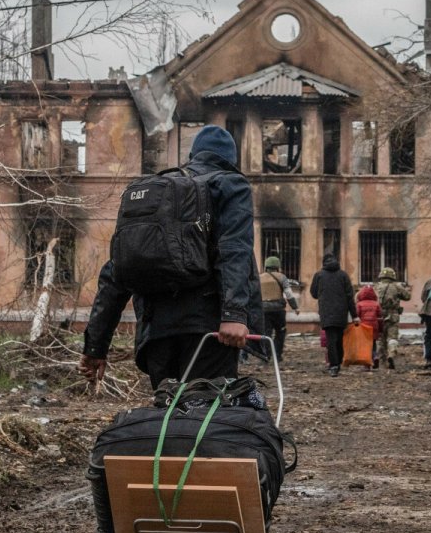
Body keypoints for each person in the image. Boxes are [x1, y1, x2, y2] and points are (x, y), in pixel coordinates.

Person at [81, 125, 263, 390]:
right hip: (208, 331)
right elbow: (235, 249)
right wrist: (234, 314)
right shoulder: (229, 184)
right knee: (204, 419)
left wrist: (96, 345)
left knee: (167, 418)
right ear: (231, 161)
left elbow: (116, 271)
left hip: (156, 333)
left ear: (193, 155)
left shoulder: (159, 195)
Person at [310, 252, 356, 377]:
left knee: (331, 339)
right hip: (341, 312)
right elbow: (349, 296)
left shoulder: (319, 275)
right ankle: (338, 362)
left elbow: (313, 293)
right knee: (339, 338)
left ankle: (334, 365)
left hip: (326, 311)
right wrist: (355, 315)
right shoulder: (343, 275)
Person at [260, 255, 298, 364]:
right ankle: (277, 355)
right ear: (277, 266)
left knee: (266, 333)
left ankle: (266, 356)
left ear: (266, 266)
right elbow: (289, 294)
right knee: (280, 332)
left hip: (264, 310)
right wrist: (295, 307)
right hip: (278, 310)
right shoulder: (282, 277)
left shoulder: (260, 278)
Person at [372, 267, 411, 370]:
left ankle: (382, 362)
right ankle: (391, 354)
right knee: (392, 337)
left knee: (381, 339)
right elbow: (408, 297)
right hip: (393, 315)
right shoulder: (396, 286)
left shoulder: (376, 287)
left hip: (379, 316)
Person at [355, 284, 382, 364]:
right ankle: (375, 356)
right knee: (373, 342)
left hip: (364, 326)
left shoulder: (359, 304)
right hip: (374, 326)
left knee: (365, 344)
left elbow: (357, 315)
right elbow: (380, 314)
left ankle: (367, 364)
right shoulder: (376, 304)